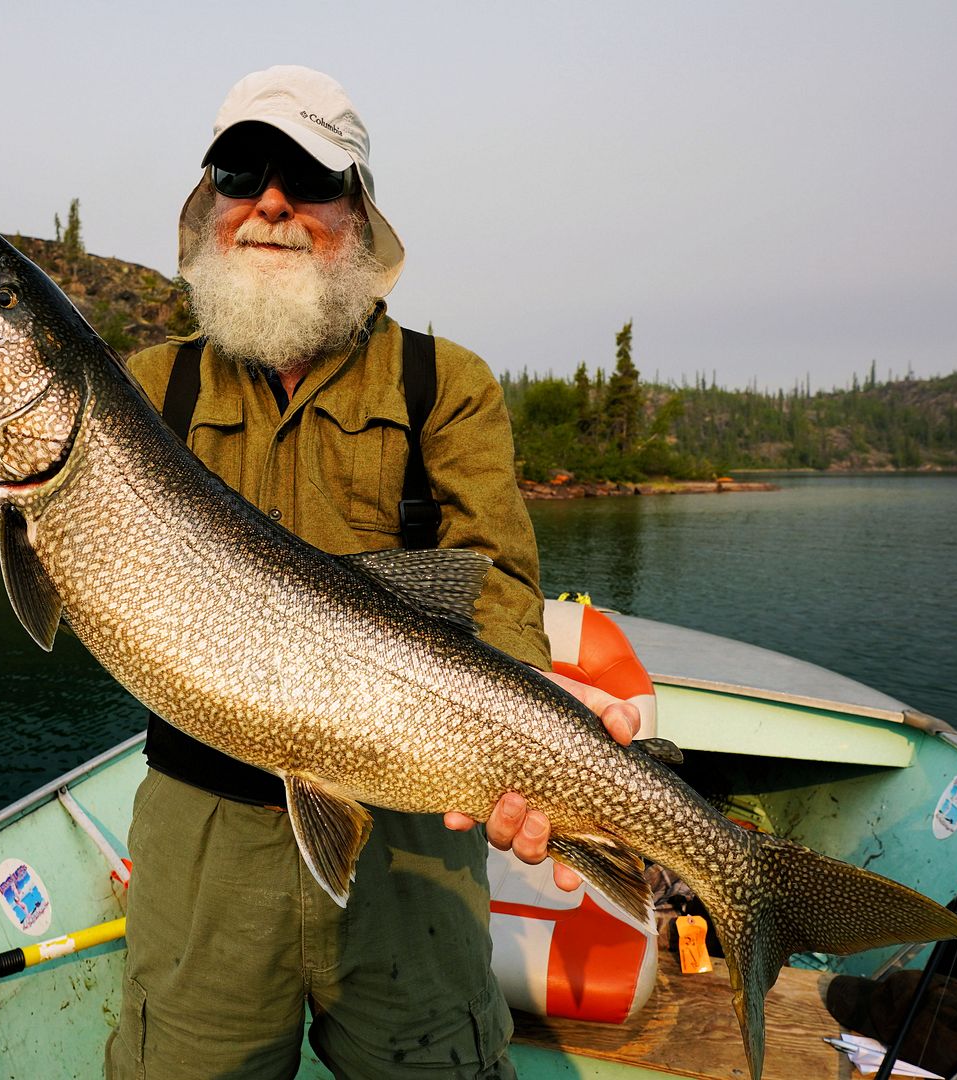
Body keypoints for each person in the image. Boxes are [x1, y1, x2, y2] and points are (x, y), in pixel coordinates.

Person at [105, 65, 640, 1080]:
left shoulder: (448, 384)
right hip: (203, 840)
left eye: (308, 178)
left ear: (357, 211)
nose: (271, 203)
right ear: (208, 204)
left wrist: (528, 723)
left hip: (415, 837)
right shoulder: (145, 391)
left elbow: (496, 583)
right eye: (241, 172)